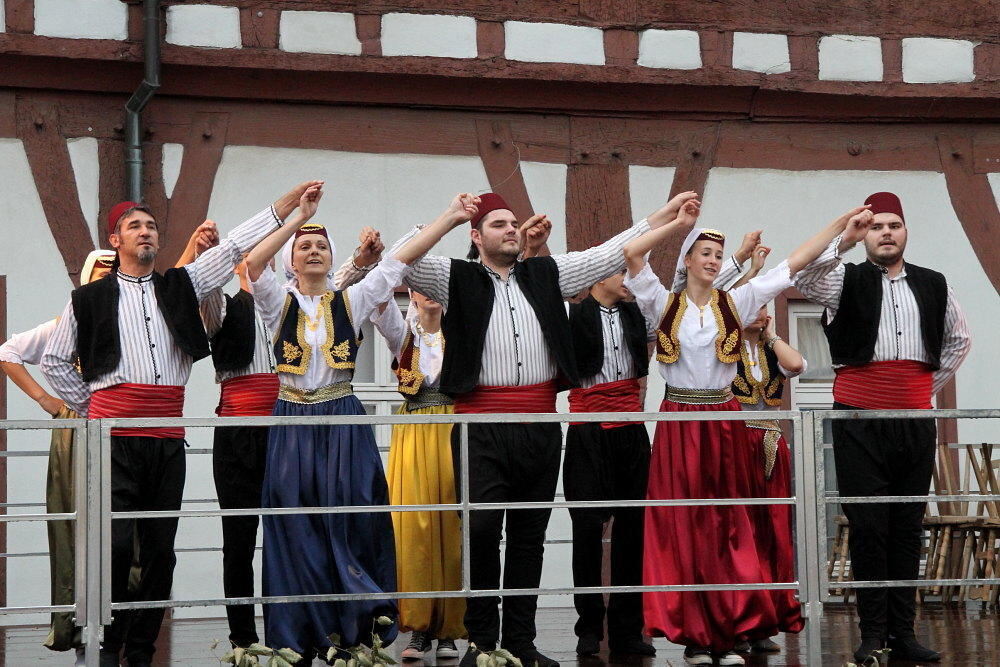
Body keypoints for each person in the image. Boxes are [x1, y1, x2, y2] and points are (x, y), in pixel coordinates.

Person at [401, 190, 699, 667]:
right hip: (479, 423)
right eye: (498, 224)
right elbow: (403, 262)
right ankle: (481, 642)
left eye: (513, 223)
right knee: (479, 529)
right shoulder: (455, 277)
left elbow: (611, 251)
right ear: (476, 236)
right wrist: (450, 216)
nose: (511, 230)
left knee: (528, 534)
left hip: (539, 422)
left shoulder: (546, 273)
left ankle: (520, 642)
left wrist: (668, 217)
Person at [41, 182, 321, 667]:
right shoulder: (88, 299)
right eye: (136, 227)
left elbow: (234, 246)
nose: (146, 232)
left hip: (167, 438)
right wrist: (94, 408)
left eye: (151, 226)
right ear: (116, 241)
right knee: (114, 546)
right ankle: (112, 644)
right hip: (112, 440)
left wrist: (286, 206)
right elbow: (54, 360)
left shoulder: (181, 285)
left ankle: (144, 650)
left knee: (160, 552)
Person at [622, 197, 870, 666]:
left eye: (719, 255)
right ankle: (696, 637)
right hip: (679, 424)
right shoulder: (662, 301)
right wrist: (678, 223)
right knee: (684, 526)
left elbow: (793, 264)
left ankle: (728, 631)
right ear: (688, 259)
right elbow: (634, 254)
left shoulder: (737, 300)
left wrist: (839, 226)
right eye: (705, 254)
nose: (715, 261)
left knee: (727, 525)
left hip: (723, 419)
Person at [244, 192, 484, 663]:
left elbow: (397, 263)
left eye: (321, 247)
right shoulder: (277, 303)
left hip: (343, 421)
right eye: (303, 248)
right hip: (292, 420)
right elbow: (252, 263)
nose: (313, 251)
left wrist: (451, 217)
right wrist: (298, 218)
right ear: (291, 262)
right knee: (295, 527)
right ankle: (299, 632)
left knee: (351, 520)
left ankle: (351, 630)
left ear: (333, 259)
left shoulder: (350, 300)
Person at [794, 191, 971, 664]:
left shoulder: (934, 284)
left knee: (907, 527)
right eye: (876, 226)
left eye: (893, 224)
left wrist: (917, 391)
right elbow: (805, 276)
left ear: (906, 231)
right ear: (866, 234)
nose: (886, 232)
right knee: (869, 527)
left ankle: (904, 634)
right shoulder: (844, 280)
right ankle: (873, 635)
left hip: (914, 420)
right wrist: (844, 241)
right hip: (858, 418)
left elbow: (959, 340)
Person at [199, 225, 388, 652]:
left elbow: (333, 291)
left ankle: (312, 629)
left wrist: (357, 261)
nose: (252, 264)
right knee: (241, 536)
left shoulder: (304, 301)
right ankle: (245, 638)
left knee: (307, 532)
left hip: (295, 429)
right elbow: (207, 295)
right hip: (244, 432)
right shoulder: (230, 306)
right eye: (245, 259)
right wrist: (208, 261)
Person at [563, 271, 655, 658]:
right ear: (599, 278)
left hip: (631, 428)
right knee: (586, 528)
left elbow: (683, 293)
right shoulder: (575, 313)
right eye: (622, 273)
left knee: (633, 529)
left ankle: (627, 630)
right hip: (588, 429)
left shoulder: (639, 315)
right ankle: (588, 628)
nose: (629, 280)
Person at [371, 293, 465, 661]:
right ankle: (419, 628)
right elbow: (374, 296)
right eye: (418, 284)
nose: (428, 293)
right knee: (413, 528)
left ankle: (450, 629)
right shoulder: (402, 335)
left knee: (452, 526)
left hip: (452, 429)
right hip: (413, 432)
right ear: (411, 293)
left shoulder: (462, 333)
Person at [730, 273, 808, 655]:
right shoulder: (723, 349)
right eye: (751, 304)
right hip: (736, 444)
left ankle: (764, 621)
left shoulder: (769, 352)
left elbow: (798, 365)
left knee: (772, 532)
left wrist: (772, 334)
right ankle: (736, 619)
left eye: (762, 305)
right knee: (739, 533)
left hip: (772, 444)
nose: (758, 312)